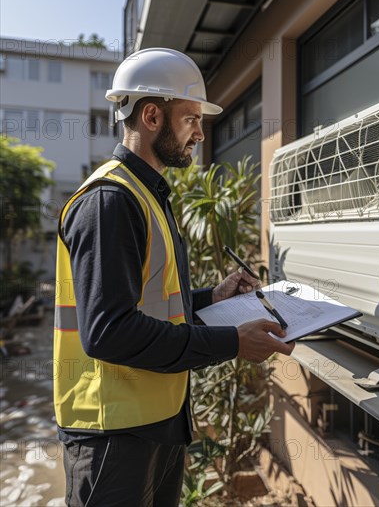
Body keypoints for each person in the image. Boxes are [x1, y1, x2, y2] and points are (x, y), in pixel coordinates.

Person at [54, 47, 295, 507]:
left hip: (154, 422)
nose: (200, 134)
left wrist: (211, 297)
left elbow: (149, 300)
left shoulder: (147, 195)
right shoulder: (110, 201)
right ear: (151, 116)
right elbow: (109, 332)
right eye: (191, 120)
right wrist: (233, 342)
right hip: (112, 436)